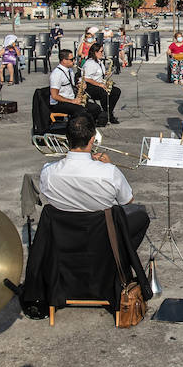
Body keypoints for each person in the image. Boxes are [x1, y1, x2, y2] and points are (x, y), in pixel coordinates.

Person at [40, 113, 151, 247]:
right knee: (141, 215)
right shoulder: (109, 172)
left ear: (67, 138)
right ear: (92, 139)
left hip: (64, 237)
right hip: (101, 236)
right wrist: (109, 166)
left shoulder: (47, 172)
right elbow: (127, 201)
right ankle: (120, 257)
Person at [49, 47, 102, 125]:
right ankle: (77, 128)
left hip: (71, 99)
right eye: (71, 59)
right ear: (64, 60)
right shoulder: (57, 74)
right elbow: (54, 96)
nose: (74, 61)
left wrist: (79, 85)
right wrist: (72, 101)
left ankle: (88, 127)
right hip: (59, 103)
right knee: (81, 110)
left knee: (95, 108)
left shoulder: (70, 70)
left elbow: (71, 84)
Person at [81, 41, 121, 125]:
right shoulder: (90, 63)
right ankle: (107, 115)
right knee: (103, 93)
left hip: (99, 84)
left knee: (116, 91)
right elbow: (86, 78)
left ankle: (108, 113)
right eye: (101, 51)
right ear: (95, 52)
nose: (102, 53)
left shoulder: (99, 62)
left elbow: (99, 74)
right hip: (90, 86)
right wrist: (99, 84)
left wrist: (106, 74)